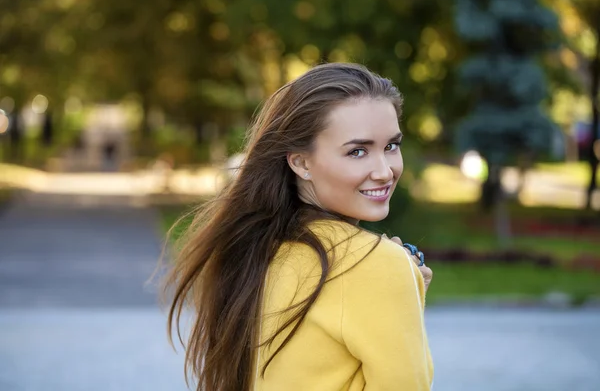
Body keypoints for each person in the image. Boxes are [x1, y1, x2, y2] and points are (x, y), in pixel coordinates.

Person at [162, 62, 434, 391]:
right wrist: (398, 284)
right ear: (301, 162)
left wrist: (404, 289)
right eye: (358, 151)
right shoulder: (375, 265)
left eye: (391, 146)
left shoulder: (259, 247)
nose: (384, 171)